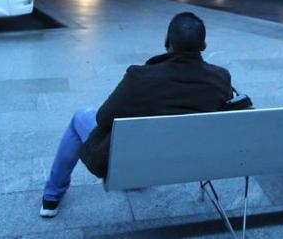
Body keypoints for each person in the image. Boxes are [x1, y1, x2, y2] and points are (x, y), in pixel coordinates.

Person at [40, 11, 233, 217]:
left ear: (168, 42)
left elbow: (102, 118)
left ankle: (51, 197)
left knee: (82, 116)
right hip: (192, 163)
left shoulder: (140, 78)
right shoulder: (221, 78)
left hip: (134, 165)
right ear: (203, 45)